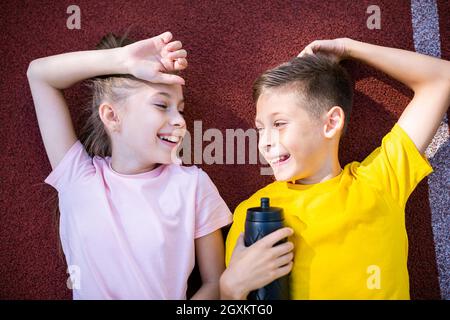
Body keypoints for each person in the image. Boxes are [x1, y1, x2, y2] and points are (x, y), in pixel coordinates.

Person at [220, 38, 450, 299]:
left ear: (331, 123)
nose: (265, 142)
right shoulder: (252, 214)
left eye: (280, 123)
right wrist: (230, 290)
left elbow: (441, 78)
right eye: (261, 128)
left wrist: (349, 48)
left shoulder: (381, 180)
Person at [27, 31, 232, 299]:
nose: (181, 121)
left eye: (180, 109)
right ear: (112, 116)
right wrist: (121, 60)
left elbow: (215, 283)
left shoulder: (191, 184)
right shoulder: (77, 178)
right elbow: (39, 75)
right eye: (162, 105)